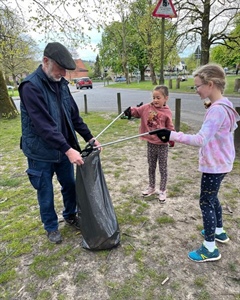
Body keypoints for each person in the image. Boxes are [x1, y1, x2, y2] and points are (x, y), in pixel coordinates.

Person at [155, 64, 240, 262]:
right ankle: (219, 231)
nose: (196, 90)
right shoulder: (224, 105)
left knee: (206, 201)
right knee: (213, 197)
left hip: (215, 164)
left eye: (198, 86)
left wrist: (171, 135)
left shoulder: (217, 111)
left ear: (210, 84)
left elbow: (200, 139)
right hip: (223, 162)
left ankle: (210, 248)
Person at [19, 42, 101, 244]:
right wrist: (68, 149)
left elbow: (74, 116)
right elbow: (43, 126)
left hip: (64, 150)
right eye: (60, 68)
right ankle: (51, 227)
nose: (63, 73)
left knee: (69, 185)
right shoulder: (30, 87)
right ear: (45, 61)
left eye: (66, 69)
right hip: (40, 153)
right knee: (45, 191)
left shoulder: (61, 84)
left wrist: (89, 137)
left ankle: (70, 214)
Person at [124, 85, 175, 203]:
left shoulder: (167, 112)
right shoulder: (147, 107)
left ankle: (162, 190)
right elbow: (137, 111)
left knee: (163, 168)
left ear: (165, 98)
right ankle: (151, 187)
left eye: (158, 98)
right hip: (151, 143)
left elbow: (170, 127)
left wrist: (172, 138)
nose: (155, 100)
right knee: (151, 166)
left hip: (162, 144)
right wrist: (129, 111)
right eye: (154, 97)